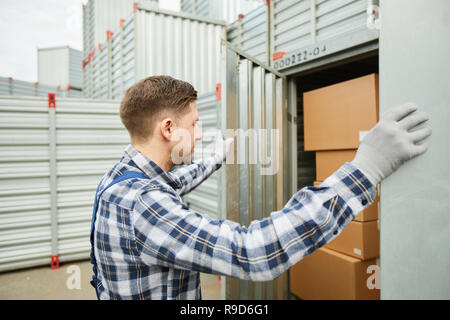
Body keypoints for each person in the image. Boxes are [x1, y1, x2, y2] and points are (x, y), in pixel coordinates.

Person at [89, 75, 432, 300]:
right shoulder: (146, 205)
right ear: (167, 129)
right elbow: (253, 252)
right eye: (194, 125)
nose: (197, 134)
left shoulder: (120, 181)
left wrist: (216, 156)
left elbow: (174, 182)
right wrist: (365, 169)